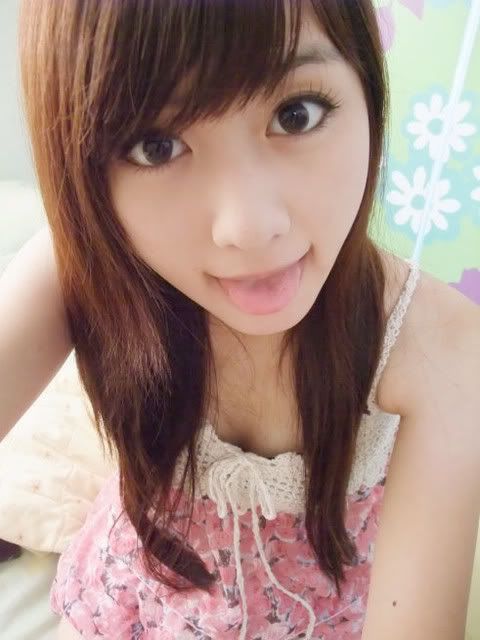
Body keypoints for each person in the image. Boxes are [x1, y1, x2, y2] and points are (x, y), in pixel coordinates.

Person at [1, 0, 478, 638]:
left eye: (296, 113)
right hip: (130, 603)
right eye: (156, 146)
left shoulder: (441, 349)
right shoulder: (82, 265)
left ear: (366, 87)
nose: (251, 227)